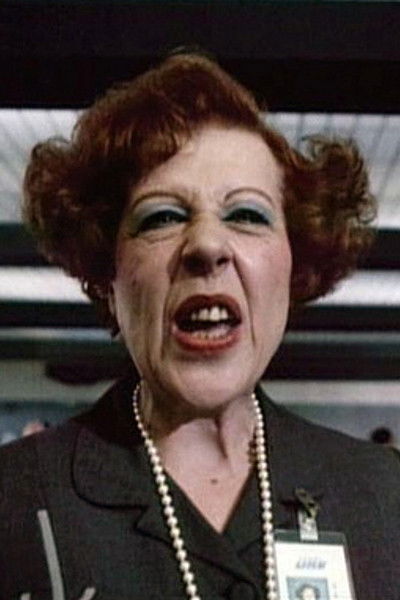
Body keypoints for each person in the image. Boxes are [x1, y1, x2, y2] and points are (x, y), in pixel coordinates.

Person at [1, 51, 399, 600]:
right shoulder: (16, 499)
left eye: (247, 215)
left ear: (294, 266)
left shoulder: (383, 495)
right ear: (108, 275)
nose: (208, 245)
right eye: (161, 217)